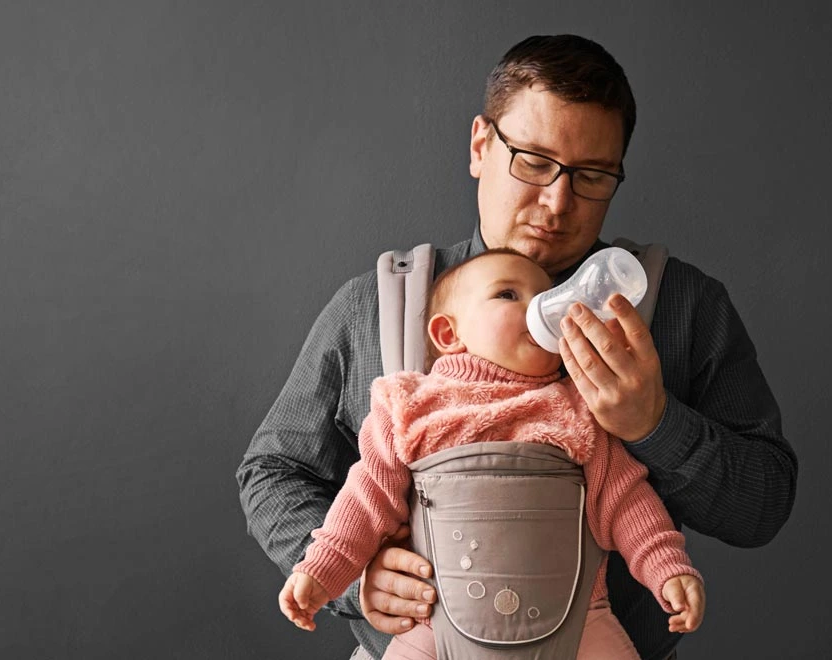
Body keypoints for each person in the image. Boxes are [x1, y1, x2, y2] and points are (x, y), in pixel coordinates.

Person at [238, 34, 797, 660]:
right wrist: (353, 576)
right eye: (532, 160)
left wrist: (655, 424)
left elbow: (765, 503)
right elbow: (272, 471)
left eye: (591, 176)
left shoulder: (683, 308)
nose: (557, 204)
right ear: (481, 145)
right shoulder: (375, 306)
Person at [278, 249, 705, 659]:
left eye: (545, 297)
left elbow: (624, 498)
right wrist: (321, 571)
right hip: (436, 626)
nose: (541, 309)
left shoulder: (578, 408)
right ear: (449, 334)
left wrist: (667, 566)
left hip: (578, 624)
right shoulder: (410, 407)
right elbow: (366, 499)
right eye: (508, 294)